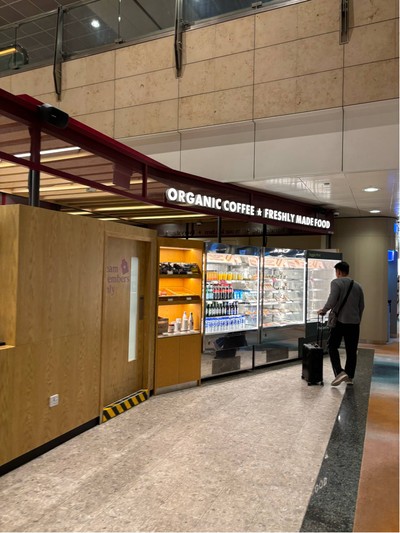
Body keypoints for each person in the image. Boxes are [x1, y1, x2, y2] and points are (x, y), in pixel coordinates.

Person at [318, 261, 365, 386]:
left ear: (338, 271)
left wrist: (324, 310)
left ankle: (339, 372)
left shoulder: (336, 282)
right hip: (354, 323)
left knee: (332, 346)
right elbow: (361, 306)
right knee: (351, 350)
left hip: (340, 321)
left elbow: (332, 299)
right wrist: (357, 319)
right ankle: (349, 376)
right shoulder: (358, 286)